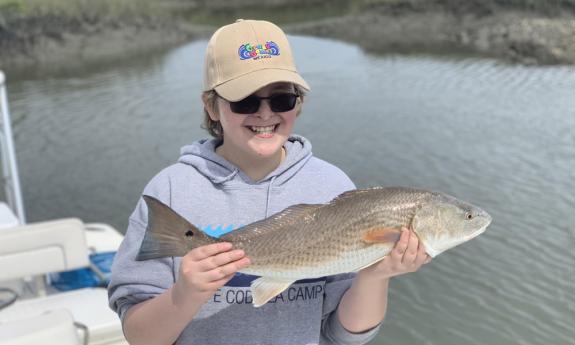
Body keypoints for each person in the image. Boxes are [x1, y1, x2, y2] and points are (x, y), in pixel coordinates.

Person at [108, 19, 431, 345]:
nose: (265, 114)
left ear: (298, 103)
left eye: (281, 100)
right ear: (212, 107)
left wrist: (376, 275)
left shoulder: (332, 186)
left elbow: (345, 335)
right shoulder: (171, 191)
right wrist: (186, 294)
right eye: (245, 101)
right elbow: (140, 337)